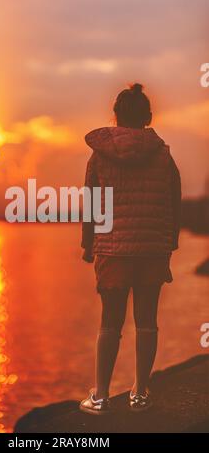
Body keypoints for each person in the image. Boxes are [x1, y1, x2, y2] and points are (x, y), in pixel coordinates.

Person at [80, 83, 181, 414]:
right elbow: (174, 199)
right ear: (149, 117)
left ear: (116, 117)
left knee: (110, 322)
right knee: (147, 321)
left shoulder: (99, 156)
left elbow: (91, 205)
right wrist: (172, 240)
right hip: (152, 248)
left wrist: (87, 244)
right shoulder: (164, 155)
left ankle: (102, 396)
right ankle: (140, 393)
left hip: (113, 249)